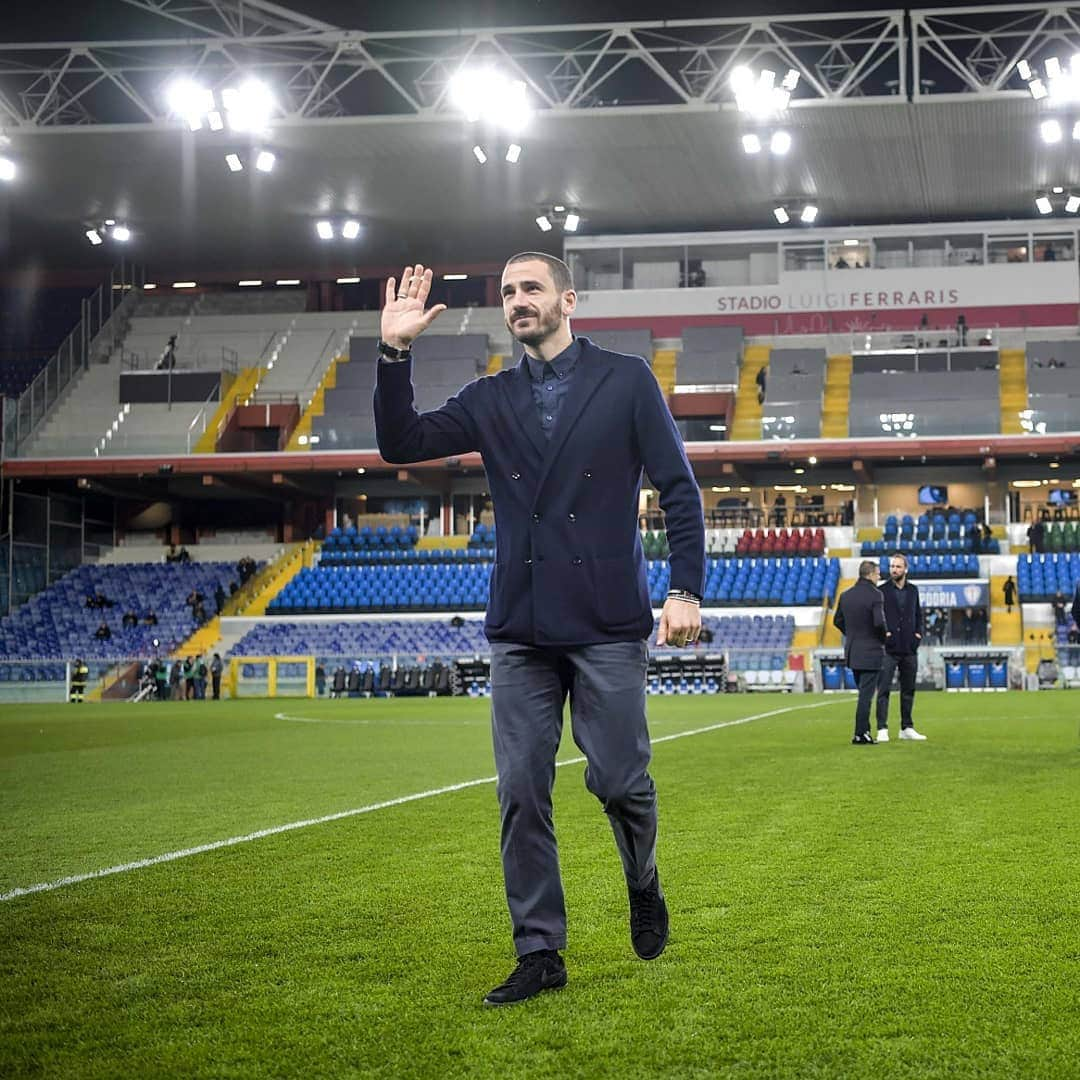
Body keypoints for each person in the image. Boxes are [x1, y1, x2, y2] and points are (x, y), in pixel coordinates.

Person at [374, 255, 704, 1006]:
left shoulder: (626, 381)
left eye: (530, 289)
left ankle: (642, 879)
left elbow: (679, 489)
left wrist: (684, 587)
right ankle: (540, 950)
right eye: (508, 293)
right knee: (521, 790)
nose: (517, 302)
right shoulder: (490, 398)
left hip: (608, 620)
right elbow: (401, 442)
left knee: (620, 781)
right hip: (520, 625)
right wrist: (395, 353)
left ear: (567, 299)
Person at [832, 560, 886, 745]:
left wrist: (852, 633)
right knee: (866, 696)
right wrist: (882, 638)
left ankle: (863, 732)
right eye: (878, 574)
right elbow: (879, 622)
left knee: (863, 693)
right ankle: (860, 733)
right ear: (870, 574)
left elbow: (837, 620)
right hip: (871, 652)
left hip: (853, 651)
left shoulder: (846, 595)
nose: (879, 577)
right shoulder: (876, 595)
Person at [876, 554, 927, 741]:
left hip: (909, 647)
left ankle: (906, 727)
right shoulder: (881, 591)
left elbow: (918, 615)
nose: (894, 569)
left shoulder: (913, 590)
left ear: (905, 569)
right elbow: (878, 617)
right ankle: (882, 728)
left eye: (898, 566)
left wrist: (918, 635)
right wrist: (885, 635)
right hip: (889, 649)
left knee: (908, 689)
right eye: (892, 566)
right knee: (884, 689)